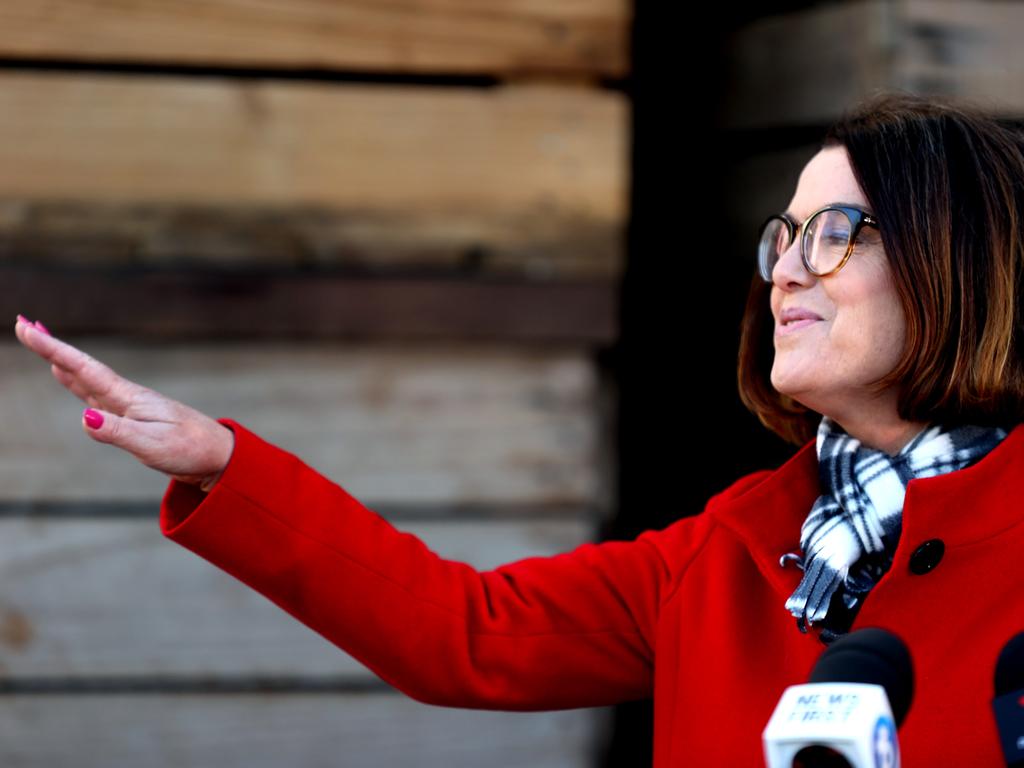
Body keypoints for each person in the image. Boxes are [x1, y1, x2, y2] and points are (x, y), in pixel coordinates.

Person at [13, 90, 1024, 764]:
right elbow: (461, 635)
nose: (789, 269)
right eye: (786, 237)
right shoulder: (724, 555)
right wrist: (222, 464)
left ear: (957, 257)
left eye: (834, 233)